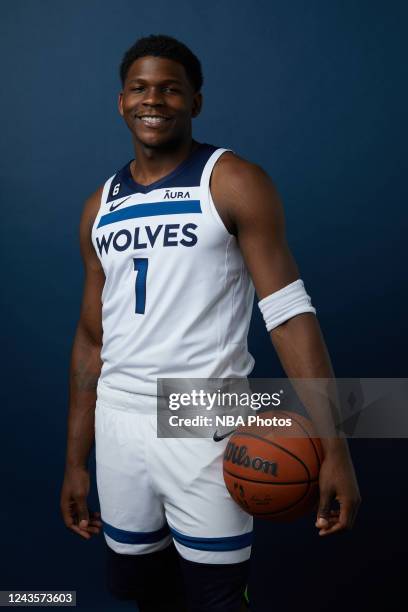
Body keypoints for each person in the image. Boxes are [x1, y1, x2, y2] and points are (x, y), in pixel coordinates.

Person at [60, 34, 361, 612]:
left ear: (195, 102)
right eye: (141, 89)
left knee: (216, 597)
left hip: (203, 413)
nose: (155, 100)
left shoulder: (232, 180)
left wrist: (336, 446)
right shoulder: (100, 205)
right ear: (121, 101)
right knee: (143, 591)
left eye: (171, 89)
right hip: (118, 421)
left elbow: (289, 316)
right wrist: (76, 462)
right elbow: (90, 337)